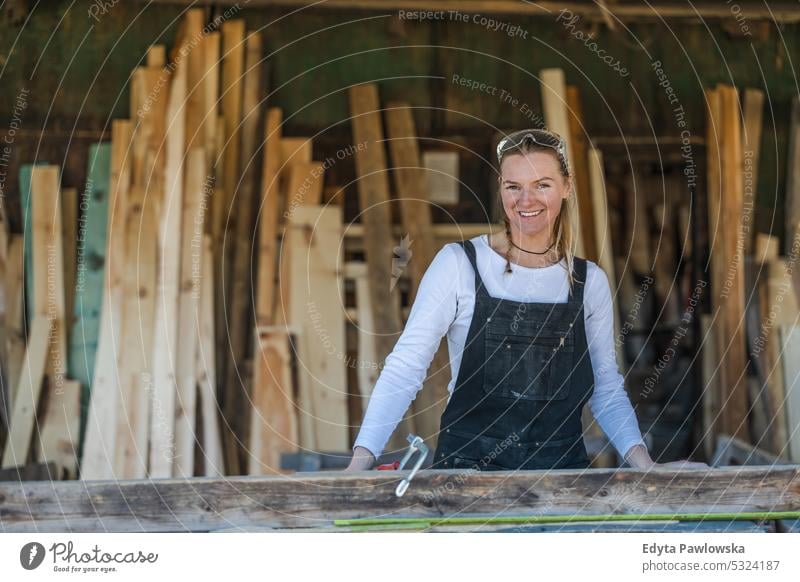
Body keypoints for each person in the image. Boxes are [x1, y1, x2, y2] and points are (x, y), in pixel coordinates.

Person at [345, 128, 706, 472]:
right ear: (500, 189)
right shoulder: (459, 265)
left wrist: (644, 464)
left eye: (542, 185)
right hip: (466, 480)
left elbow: (605, 386)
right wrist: (359, 466)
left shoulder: (588, 282)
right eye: (513, 186)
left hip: (561, 481)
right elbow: (405, 368)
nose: (525, 200)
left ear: (567, 187)